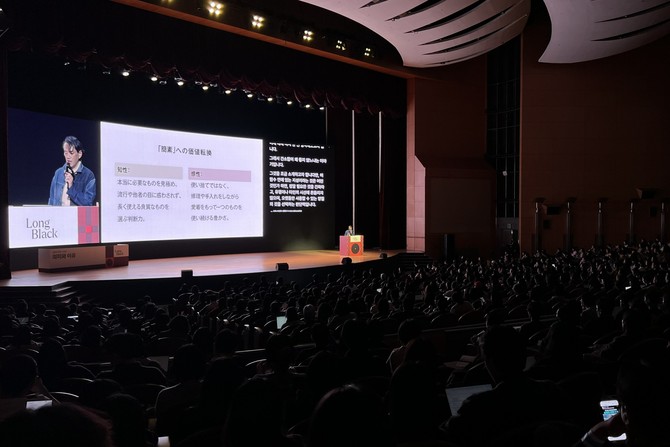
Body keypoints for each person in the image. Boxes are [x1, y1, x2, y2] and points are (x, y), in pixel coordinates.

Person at [48, 135, 96, 206]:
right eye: (66, 153)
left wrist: (71, 187)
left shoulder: (88, 175)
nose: (68, 157)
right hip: (58, 212)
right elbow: (51, 200)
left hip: (75, 213)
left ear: (79, 154)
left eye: (71, 153)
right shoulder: (58, 173)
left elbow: (88, 203)